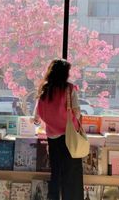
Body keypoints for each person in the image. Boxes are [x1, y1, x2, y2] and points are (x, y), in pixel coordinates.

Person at [33, 59, 84, 200]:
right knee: (72, 173)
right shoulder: (69, 88)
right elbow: (77, 111)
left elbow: (37, 114)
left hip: (52, 136)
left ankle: (53, 197)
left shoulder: (45, 88)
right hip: (70, 136)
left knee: (56, 172)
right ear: (64, 73)